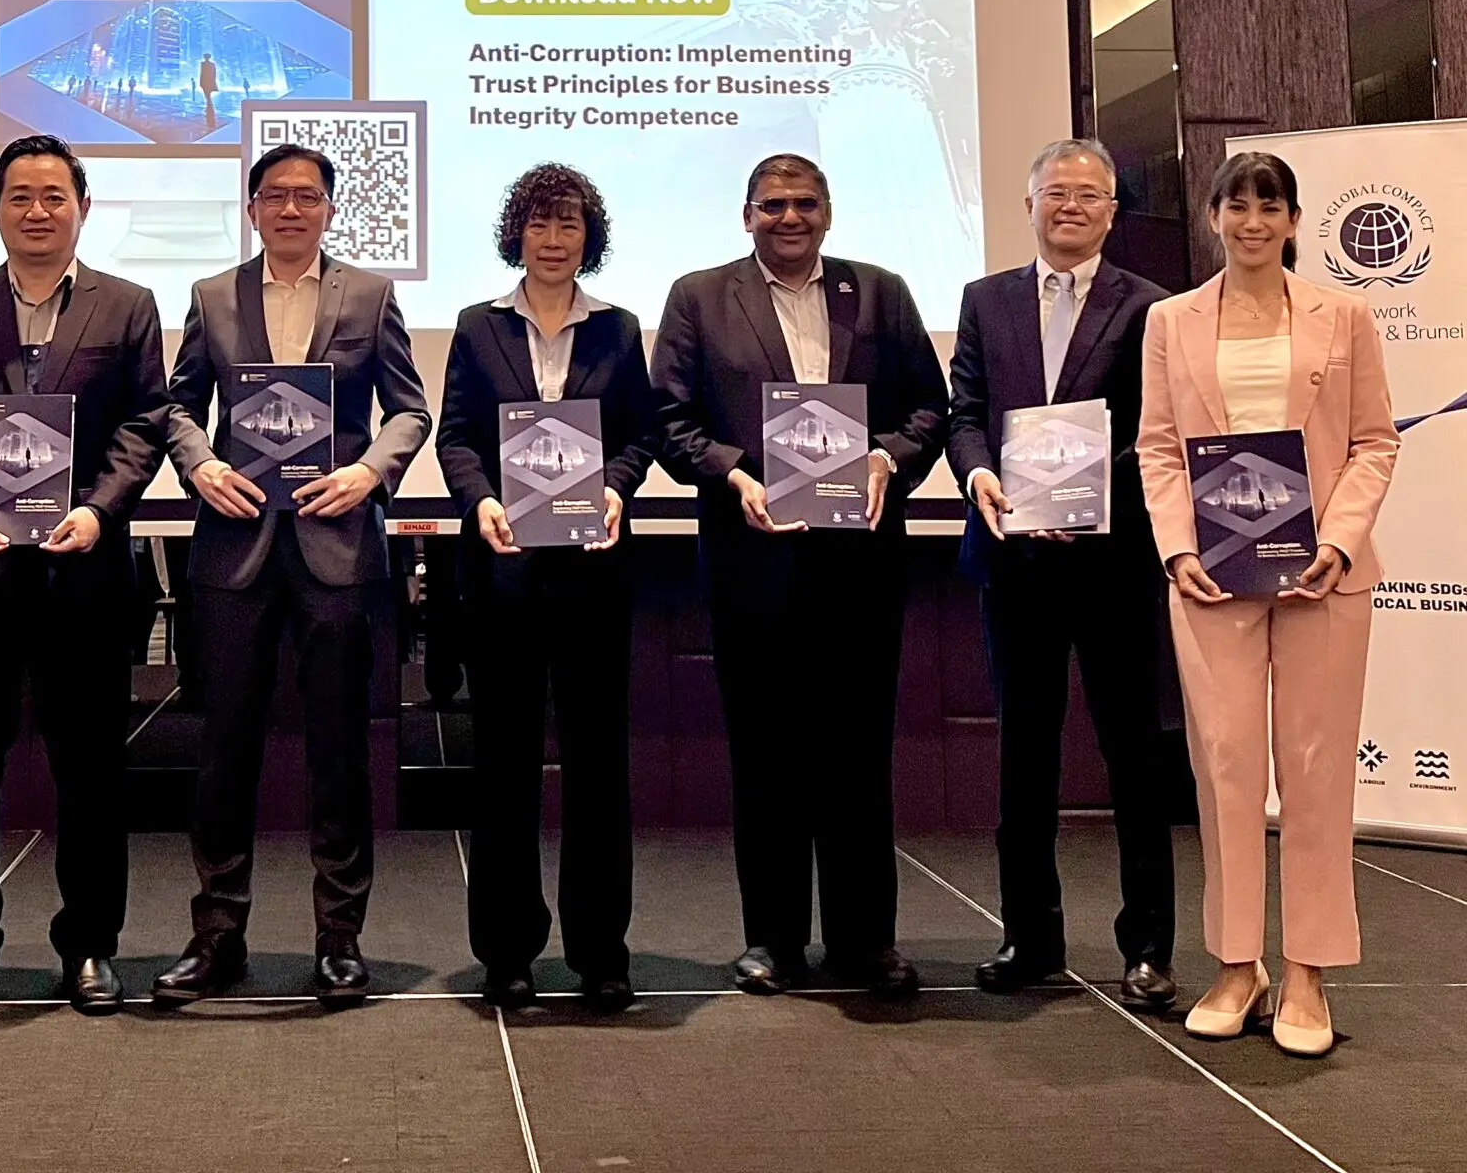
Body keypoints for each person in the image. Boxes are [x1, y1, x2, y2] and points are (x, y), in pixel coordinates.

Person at [651, 152, 949, 998]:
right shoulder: (699, 297)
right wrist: (734, 475)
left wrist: (888, 459)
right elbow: (670, 418)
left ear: (829, 211)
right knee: (766, 756)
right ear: (746, 214)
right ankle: (772, 940)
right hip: (753, 560)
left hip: (861, 563)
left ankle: (865, 942)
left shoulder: (881, 292)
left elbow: (930, 408)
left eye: (806, 203)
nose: (791, 217)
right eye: (774, 205)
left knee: (858, 755)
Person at [0, 134, 170, 1019]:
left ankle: (89, 945)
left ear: (83, 208)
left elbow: (145, 424)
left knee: (90, 775)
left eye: (55, 195)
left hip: (82, 576)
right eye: (20, 196)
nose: (38, 211)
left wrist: (100, 509)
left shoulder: (128, 306)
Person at [153, 143, 432, 1010]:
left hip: (336, 546)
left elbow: (410, 410)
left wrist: (369, 473)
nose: (290, 209)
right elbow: (176, 406)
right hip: (233, 549)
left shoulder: (370, 296)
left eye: (307, 196)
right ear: (251, 208)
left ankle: (339, 937)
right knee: (223, 752)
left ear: (329, 209)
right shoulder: (212, 296)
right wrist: (200, 465)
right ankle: (216, 936)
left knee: (339, 751)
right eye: (275, 196)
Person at [1137, 150, 1398, 1059]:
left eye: (1270, 205)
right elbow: (1158, 447)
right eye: (1237, 205)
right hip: (1212, 577)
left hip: (1322, 574)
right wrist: (1178, 548)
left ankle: (1309, 972)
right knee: (1226, 768)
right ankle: (1236, 964)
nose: (1252, 221)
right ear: (1213, 216)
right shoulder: (1169, 320)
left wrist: (1339, 540)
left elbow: (1374, 442)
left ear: (1293, 220)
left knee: (1317, 770)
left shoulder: (1345, 315)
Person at [946, 138, 1177, 1011]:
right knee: (1024, 754)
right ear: (1029, 204)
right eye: (1056, 192)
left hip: (1113, 563)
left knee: (1133, 757)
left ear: (1112, 212)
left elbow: (1159, 427)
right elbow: (966, 412)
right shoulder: (985, 300)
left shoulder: (1152, 308)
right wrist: (979, 472)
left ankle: (1148, 946)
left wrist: (1083, 489)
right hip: (1014, 559)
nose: (1070, 205)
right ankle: (1029, 938)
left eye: (1089, 194)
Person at [436, 164, 657, 1014]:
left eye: (568, 225)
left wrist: (617, 487)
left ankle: (601, 950)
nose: (554, 240)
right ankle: (507, 951)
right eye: (539, 224)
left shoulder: (619, 329)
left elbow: (638, 437)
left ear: (588, 238)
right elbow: (457, 437)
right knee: (504, 765)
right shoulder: (477, 326)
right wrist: (481, 500)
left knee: (599, 764)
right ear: (516, 234)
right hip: (504, 570)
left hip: (595, 571)